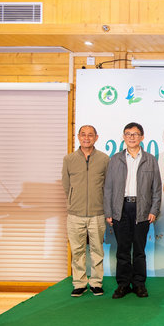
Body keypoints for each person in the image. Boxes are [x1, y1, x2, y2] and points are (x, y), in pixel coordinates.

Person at [104, 122, 162, 299]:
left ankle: (138, 284)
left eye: (135, 134)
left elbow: (156, 188)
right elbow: (108, 188)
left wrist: (154, 210)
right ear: (123, 137)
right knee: (122, 249)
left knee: (139, 249)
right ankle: (123, 284)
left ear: (142, 137)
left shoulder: (150, 159)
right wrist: (109, 212)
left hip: (141, 209)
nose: (131, 137)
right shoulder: (115, 159)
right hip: (120, 208)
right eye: (128, 134)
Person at [62, 125, 109, 297]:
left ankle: (96, 283)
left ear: (96, 137)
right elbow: (66, 185)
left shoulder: (104, 159)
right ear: (78, 137)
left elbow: (108, 186)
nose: (86, 138)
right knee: (77, 250)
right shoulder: (69, 159)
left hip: (98, 213)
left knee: (97, 250)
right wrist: (74, 200)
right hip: (75, 213)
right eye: (83, 135)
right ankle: (79, 283)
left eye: (90, 135)